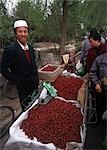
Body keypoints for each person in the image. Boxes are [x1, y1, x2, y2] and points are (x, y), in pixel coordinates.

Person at [1, 19, 39, 111]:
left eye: (25, 31)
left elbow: (33, 65)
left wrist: (36, 78)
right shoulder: (10, 50)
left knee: (36, 107)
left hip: (34, 84)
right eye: (20, 31)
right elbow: (3, 69)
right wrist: (17, 80)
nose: (23, 34)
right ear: (16, 34)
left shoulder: (30, 48)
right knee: (26, 109)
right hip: (23, 87)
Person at [89, 51, 107, 123]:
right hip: (101, 88)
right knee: (99, 105)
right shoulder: (100, 59)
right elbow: (92, 72)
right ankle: (98, 120)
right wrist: (96, 84)